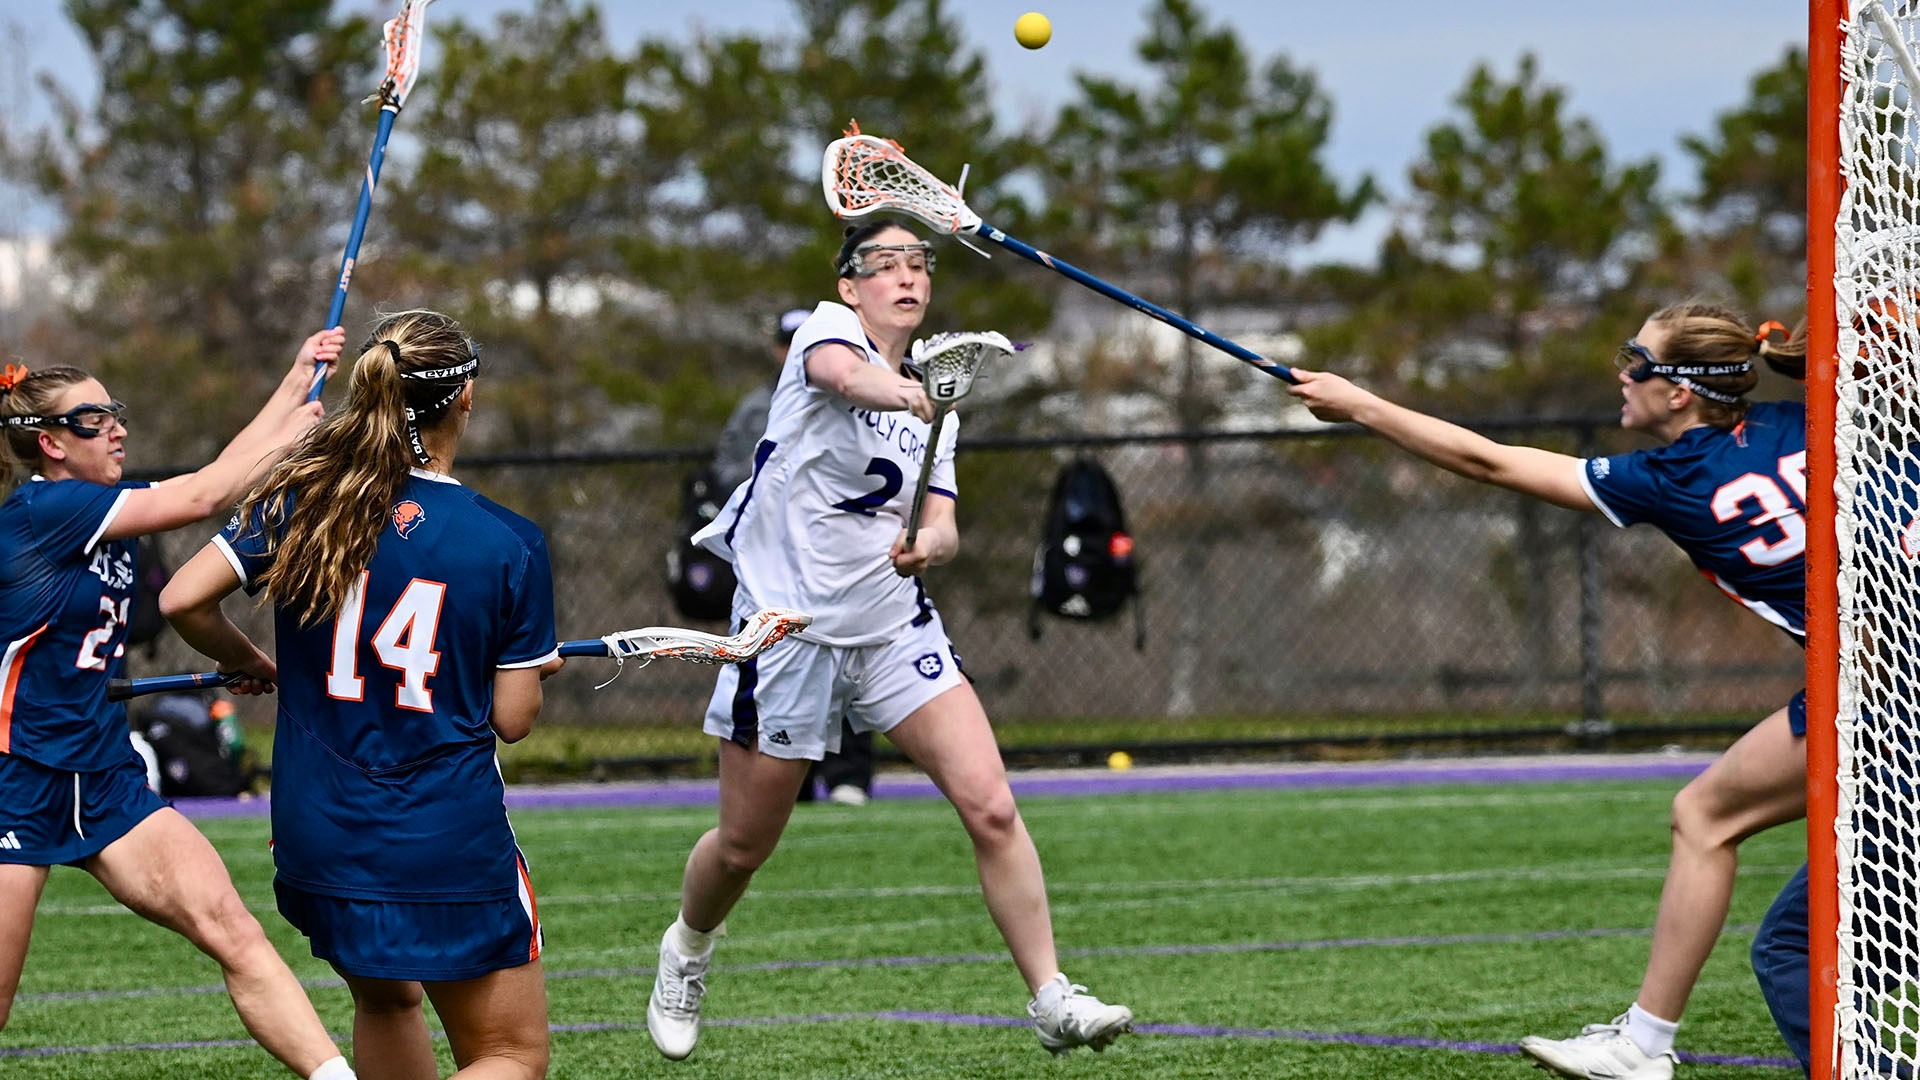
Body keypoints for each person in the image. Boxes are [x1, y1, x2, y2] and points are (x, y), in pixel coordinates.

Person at [644, 220, 1133, 1061]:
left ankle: (1051, 995)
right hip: (788, 634)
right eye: (882, 265)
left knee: (991, 804)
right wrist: (914, 395)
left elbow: (941, 522)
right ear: (849, 285)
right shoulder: (830, 337)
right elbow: (844, 377)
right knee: (742, 846)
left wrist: (931, 543)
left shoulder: (936, 398)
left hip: (892, 631)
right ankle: (687, 948)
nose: (904, 278)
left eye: (918, 264)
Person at [1287, 303, 1810, 1080]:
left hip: (1881, 692)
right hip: (1874, 680)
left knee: (1712, 826)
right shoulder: (1808, 419)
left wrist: (1357, 404)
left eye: (1638, 359)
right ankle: (1643, 1041)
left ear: (1678, 394)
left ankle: (1643, 1045)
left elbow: (1488, 463)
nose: (1622, 373)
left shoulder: (1669, 477)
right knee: (1765, 896)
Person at [160, 311, 563, 1080]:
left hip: (319, 830)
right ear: (465, 396)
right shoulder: (508, 541)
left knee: (386, 1003)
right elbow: (514, 721)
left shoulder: (301, 499)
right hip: (442, 838)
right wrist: (525, 670)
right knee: (511, 1055)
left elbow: (183, 600)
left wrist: (256, 661)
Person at [0, 332, 360, 1080]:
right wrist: (294, 435)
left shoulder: (107, 517)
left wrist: (295, 382)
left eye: (115, 412)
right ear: (50, 444)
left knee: (233, 929)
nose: (118, 428)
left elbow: (211, 476)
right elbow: (206, 493)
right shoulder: (47, 511)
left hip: (102, 777)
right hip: (13, 779)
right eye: (95, 419)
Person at [720, 307, 879, 808]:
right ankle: (793, 782)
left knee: (847, 662)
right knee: (774, 672)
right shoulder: (757, 407)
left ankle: (849, 774)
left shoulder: (855, 402)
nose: (795, 352)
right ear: (776, 349)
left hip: (836, 558)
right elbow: (728, 470)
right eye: (787, 342)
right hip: (774, 563)